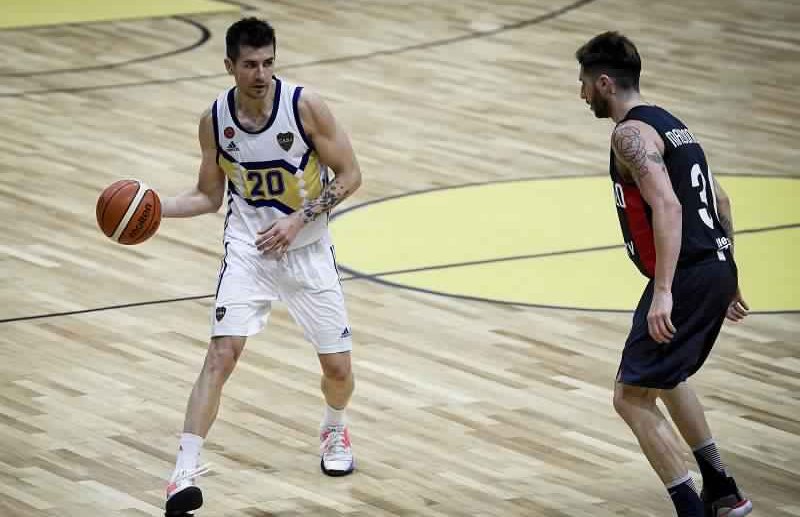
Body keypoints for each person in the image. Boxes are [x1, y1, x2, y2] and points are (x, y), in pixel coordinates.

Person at [159, 17, 362, 516]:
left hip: (306, 248)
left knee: (338, 370)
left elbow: (350, 175)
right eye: (250, 65)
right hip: (249, 251)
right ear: (229, 65)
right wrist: (154, 206)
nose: (261, 74)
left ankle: (334, 427)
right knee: (220, 356)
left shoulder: (305, 107)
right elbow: (208, 196)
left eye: (269, 62)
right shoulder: (215, 120)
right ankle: (183, 473)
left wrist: (298, 220)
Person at [575, 32, 752, 517]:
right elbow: (719, 200)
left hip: (687, 275)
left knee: (630, 398)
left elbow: (669, 207)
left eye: (584, 83)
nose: (581, 94)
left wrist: (665, 291)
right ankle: (723, 490)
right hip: (713, 265)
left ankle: (691, 508)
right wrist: (728, 269)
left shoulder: (629, 135)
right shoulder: (674, 126)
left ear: (605, 83)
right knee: (668, 378)